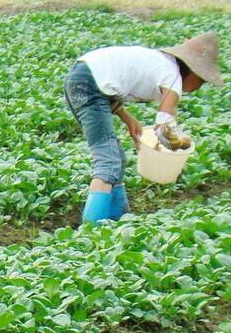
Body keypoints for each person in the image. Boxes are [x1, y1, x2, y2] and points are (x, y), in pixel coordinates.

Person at [64, 33, 223, 225]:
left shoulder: (163, 64)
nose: (199, 86)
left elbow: (111, 81)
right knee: (109, 160)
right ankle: (90, 231)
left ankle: (118, 222)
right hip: (89, 83)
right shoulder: (173, 78)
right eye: (202, 80)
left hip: (83, 77)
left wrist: (127, 117)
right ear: (194, 72)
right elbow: (164, 129)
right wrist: (179, 150)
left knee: (117, 159)